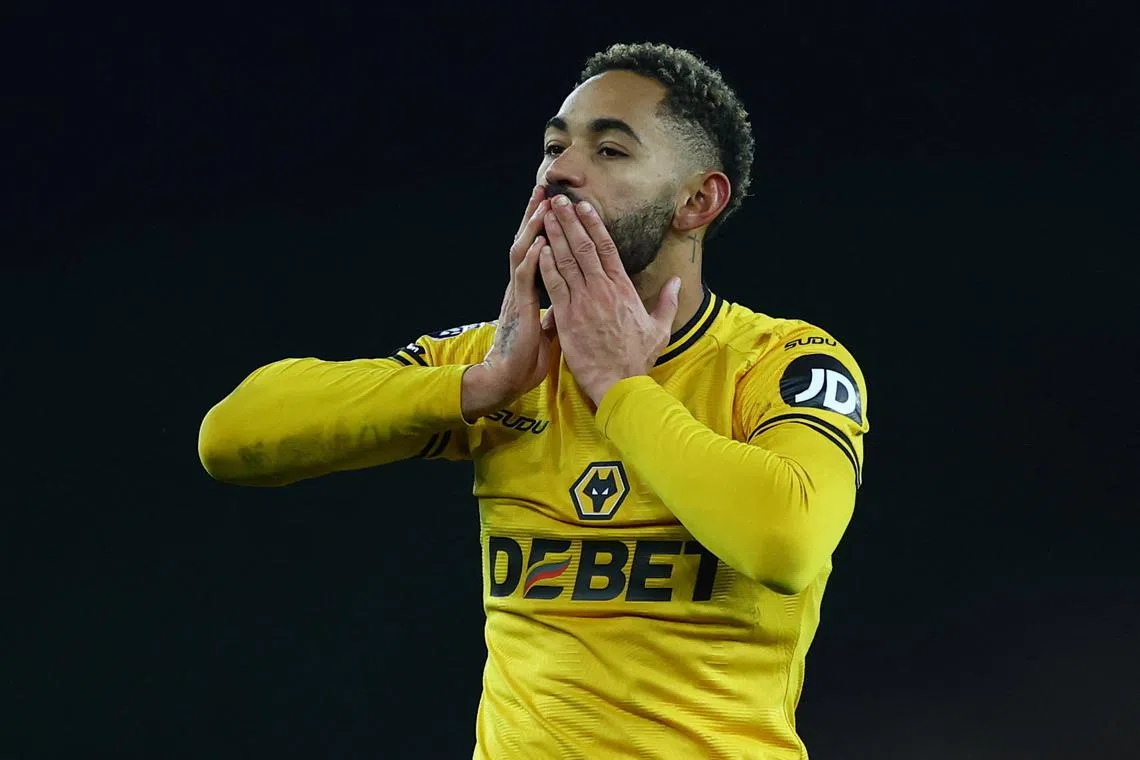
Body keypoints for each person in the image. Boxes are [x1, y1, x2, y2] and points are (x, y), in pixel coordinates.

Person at [198, 41, 870, 760]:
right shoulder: (507, 362)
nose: (560, 171)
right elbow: (231, 439)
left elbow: (786, 542)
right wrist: (481, 384)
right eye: (554, 146)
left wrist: (620, 387)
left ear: (697, 201)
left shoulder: (778, 362)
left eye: (610, 152)